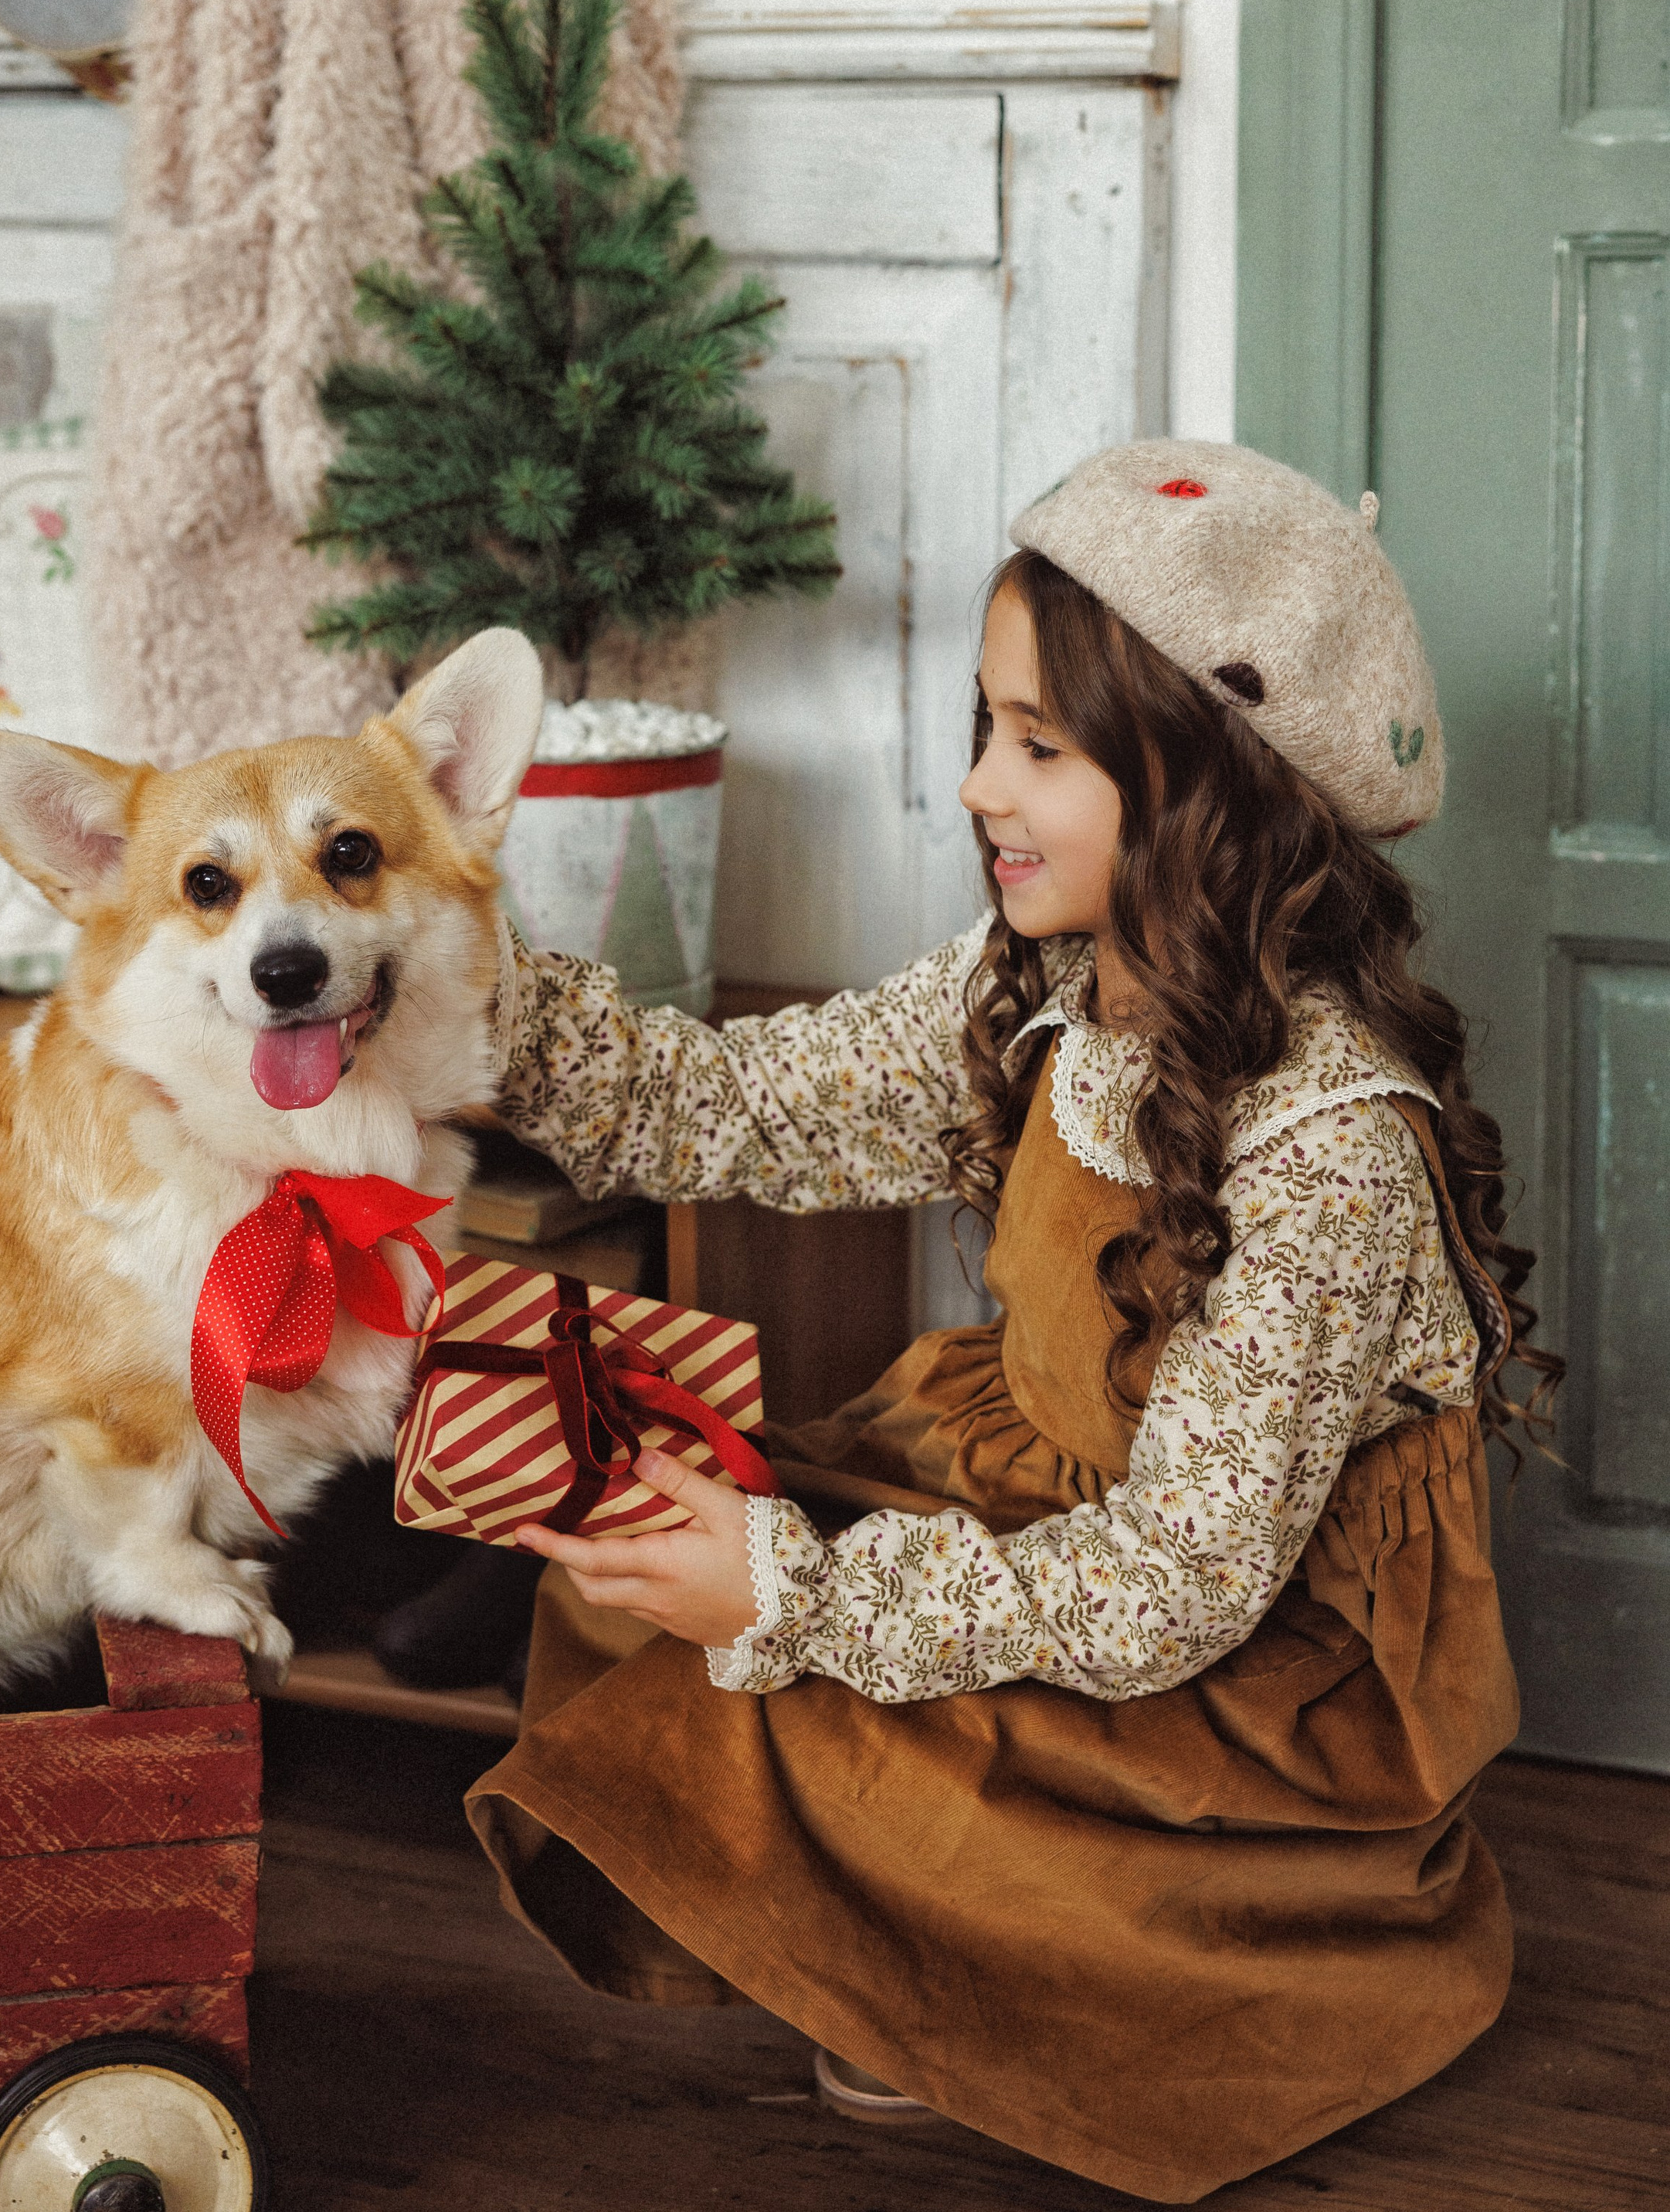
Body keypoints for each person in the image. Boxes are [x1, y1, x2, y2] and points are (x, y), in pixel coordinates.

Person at [461, 440, 1561, 2206]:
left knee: (808, 1688)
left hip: (1219, 1643)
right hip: (1046, 1492)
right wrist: (454, 980)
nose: (977, 784)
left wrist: (798, 1589)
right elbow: (728, 1105)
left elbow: (1170, 1587)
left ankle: (992, 1980)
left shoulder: (1327, 1145)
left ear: (1209, 780)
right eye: (984, 725)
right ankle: (904, 1940)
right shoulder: (1042, 985)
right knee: (652, 1575)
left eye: (1038, 746)